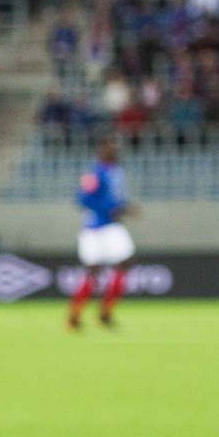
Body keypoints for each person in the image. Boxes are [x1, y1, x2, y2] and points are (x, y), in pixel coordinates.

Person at [69, 136, 137, 330]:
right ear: (101, 150)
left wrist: (124, 208)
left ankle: (105, 312)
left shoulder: (116, 171)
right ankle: (74, 315)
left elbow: (114, 199)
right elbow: (83, 200)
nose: (115, 150)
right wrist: (111, 208)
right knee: (93, 271)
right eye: (110, 147)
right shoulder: (95, 172)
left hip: (112, 226)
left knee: (126, 262)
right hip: (95, 228)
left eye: (115, 146)